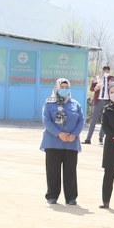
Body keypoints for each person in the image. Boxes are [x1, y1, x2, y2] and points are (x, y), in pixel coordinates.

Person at [41, 77, 84, 205]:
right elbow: (46, 120)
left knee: (70, 171)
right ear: (57, 88)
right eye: (62, 87)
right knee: (53, 171)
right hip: (53, 142)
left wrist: (74, 134)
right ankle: (52, 196)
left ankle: (71, 197)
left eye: (67, 87)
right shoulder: (49, 103)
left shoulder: (75, 104)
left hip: (71, 143)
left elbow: (81, 120)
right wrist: (58, 133)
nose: (64, 90)